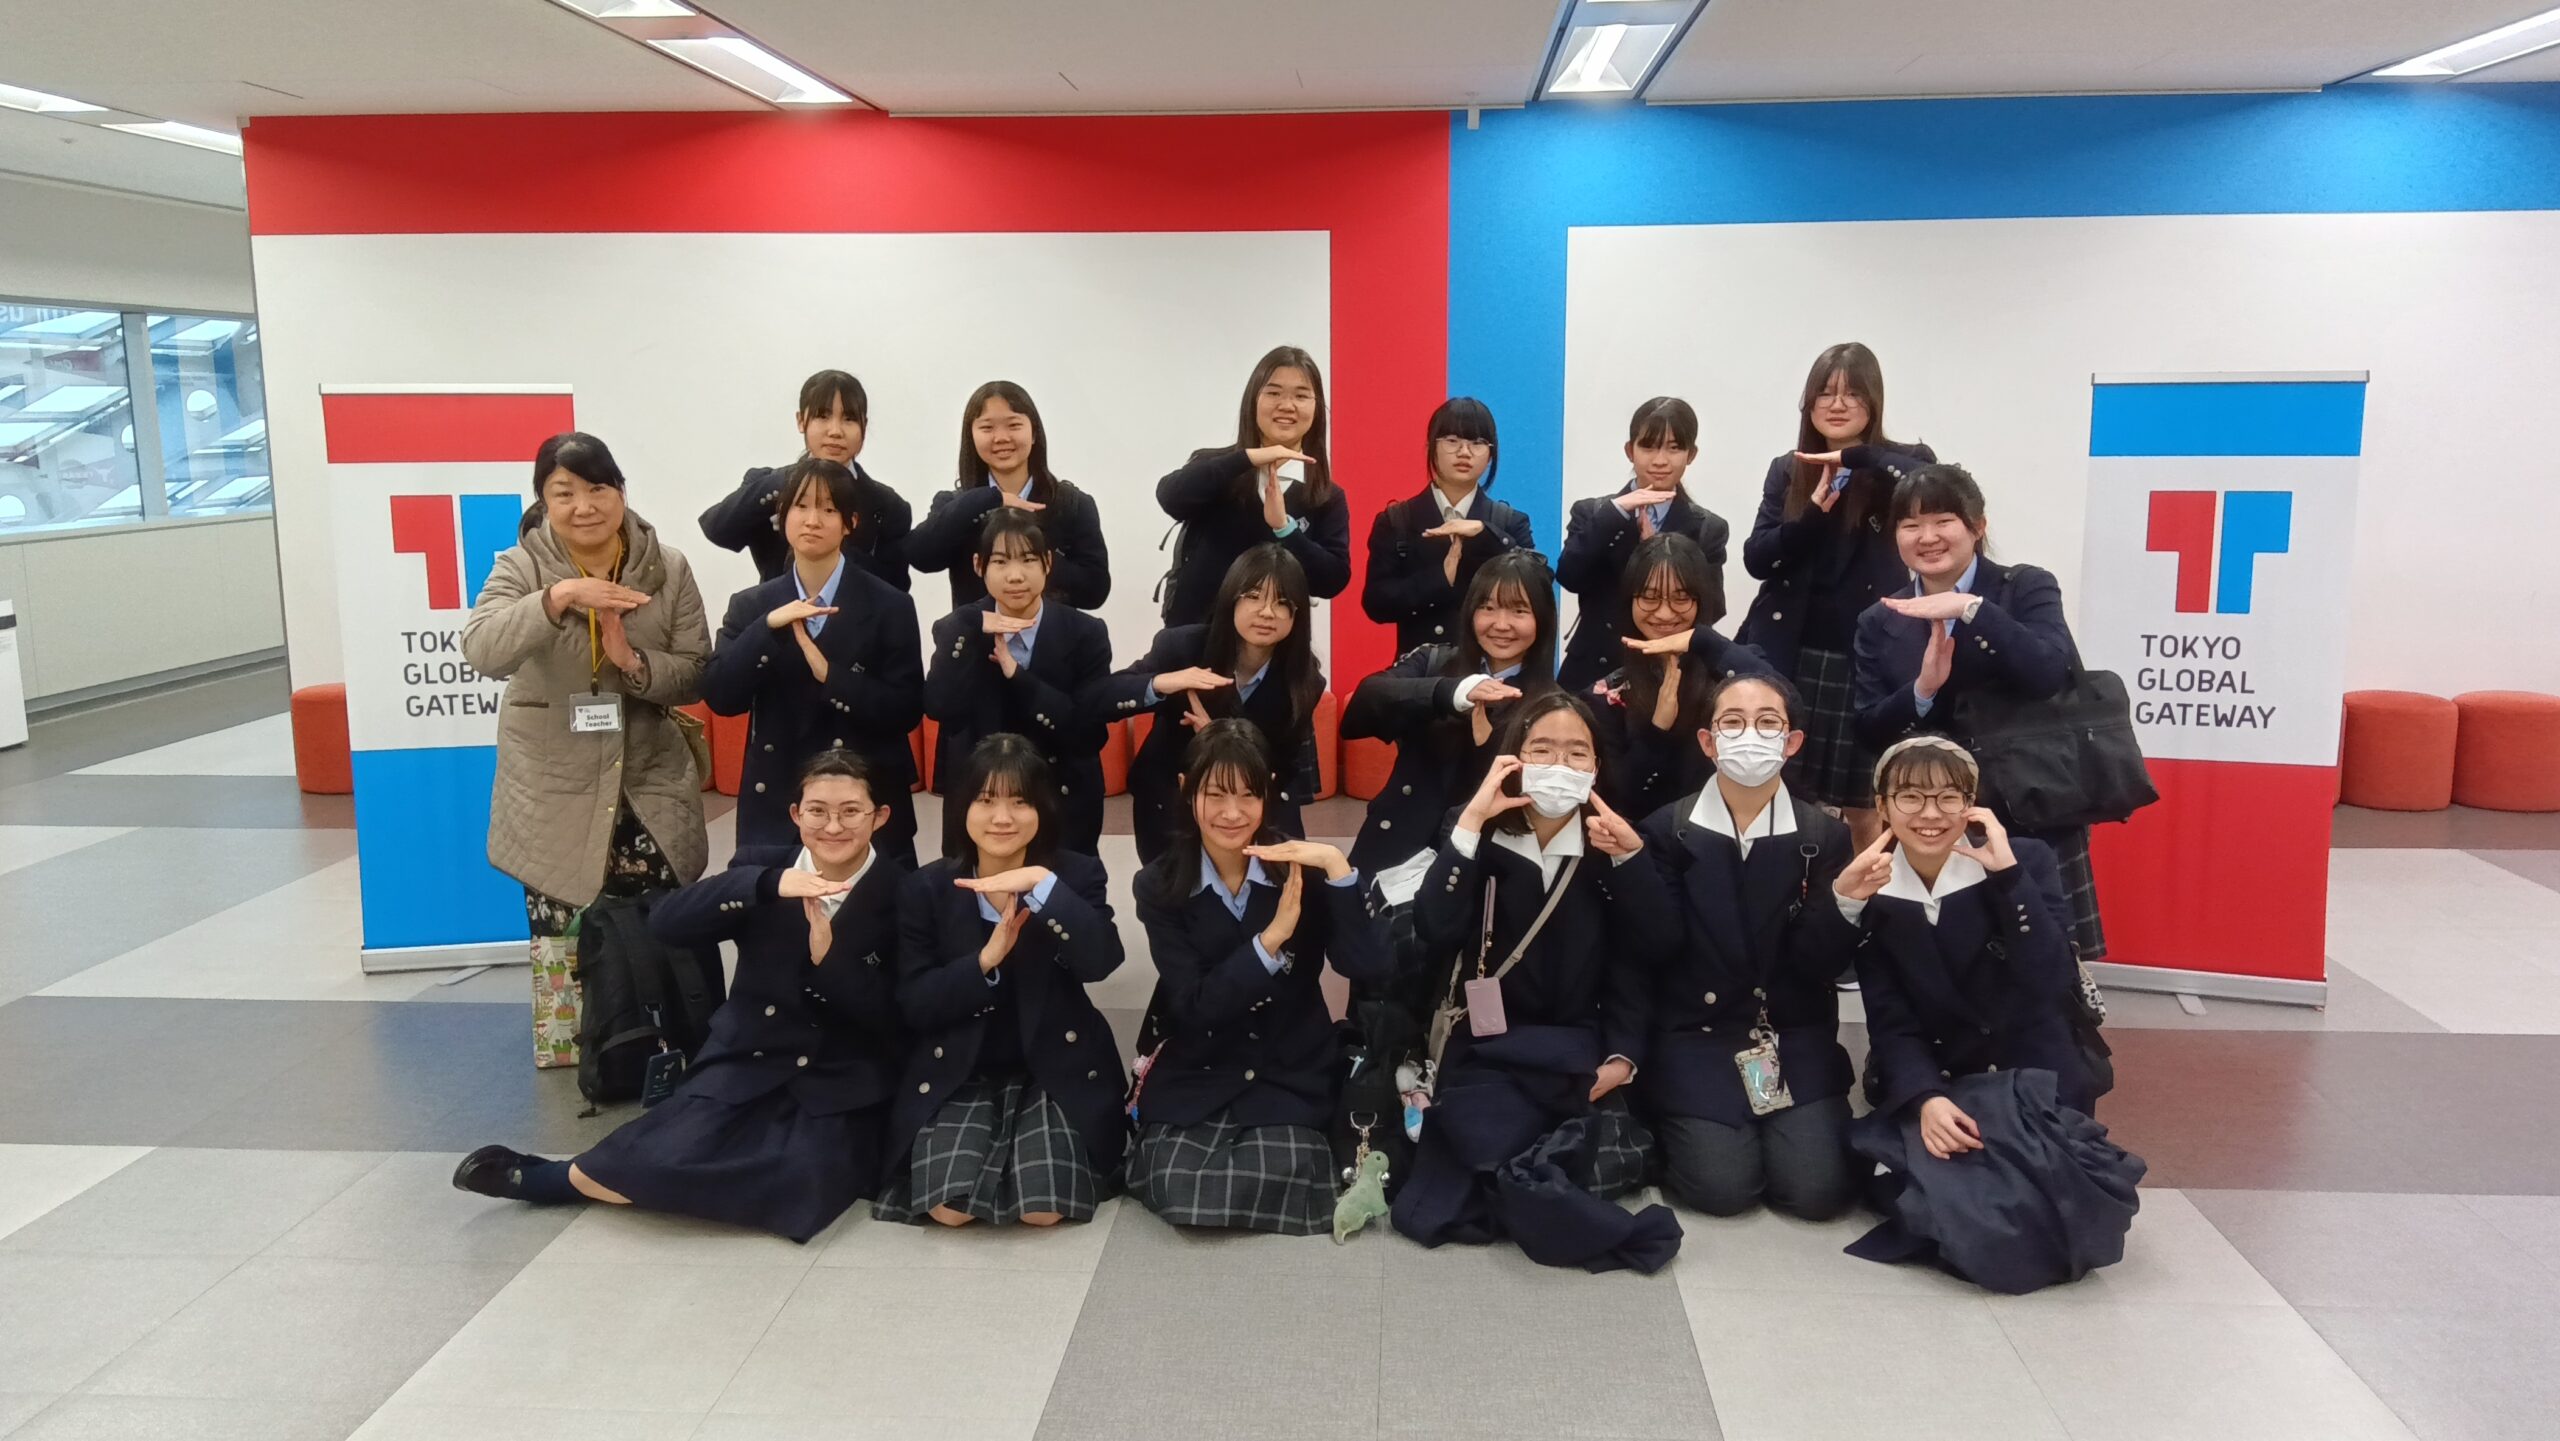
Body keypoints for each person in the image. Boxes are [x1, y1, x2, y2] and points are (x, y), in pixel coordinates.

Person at [450, 750, 904, 1242]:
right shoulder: (762, 866)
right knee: (664, 1151)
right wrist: (767, 884)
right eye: (817, 810)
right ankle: (561, 1179)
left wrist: (830, 963)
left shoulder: (903, 891)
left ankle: (570, 1180)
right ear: (796, 814)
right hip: (750, 1055)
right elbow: (669, 924)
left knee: (804, 1177)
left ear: (879, 816)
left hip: (837, 1072)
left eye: (851, 811)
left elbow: (895, 1014)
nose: (833, 826)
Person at [1390, 690, 1681, 1273]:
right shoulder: (1475, 830)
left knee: (1536, 1154)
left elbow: (1653, 949)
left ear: (1596, 766)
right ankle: (1547, 1197)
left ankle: (1527, 1186)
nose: (1559, 763)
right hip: (1483, 1045)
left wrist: (1622, 1056)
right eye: (1541, 749)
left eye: (1577, 752)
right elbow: (1434, 926)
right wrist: (1471, 822)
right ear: (1514, 758)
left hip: (1575, 1048)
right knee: (1490, 1147)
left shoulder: (1611, 841)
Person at [463, 431, 710, 1067]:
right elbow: (483, 649)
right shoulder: (521, 566)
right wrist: (559, 598)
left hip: (647, 776)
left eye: (598, 489)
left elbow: (695, 672)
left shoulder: (668, 567)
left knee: (660, 918)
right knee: (562, 919)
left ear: (621, 491)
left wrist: (631, 660)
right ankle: (578, 1051)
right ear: (543, 501)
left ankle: (663, 1038)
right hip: (553, 780)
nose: (584, 506)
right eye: (563, 493)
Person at [1124, 721, 1391, 1235]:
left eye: (1248, 795)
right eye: (1215, 794)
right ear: (1186, 790)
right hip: (1201, 1061)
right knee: (1177, 1185)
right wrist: (1269, 942)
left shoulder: (1303, 867)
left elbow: (1369, 968)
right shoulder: (1159, 883)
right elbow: (1194, 1004)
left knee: (1286, 1169)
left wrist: (1337, 868)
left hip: (1288, 1061)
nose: (1232, 813)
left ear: (1267, 792)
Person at [1849, 462, 2104, 960]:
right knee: (1938, 959)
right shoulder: (1880, 618)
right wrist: (1922, 690)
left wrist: (1972, 610)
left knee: (2044, 955)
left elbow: (2049, 673)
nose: (1927, 537)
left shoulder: (2024, 587)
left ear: (1977, 526)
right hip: (1930, 816)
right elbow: (1868, 729)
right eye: (1910, 525)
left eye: (1943, 521)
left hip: (2030, 803)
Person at [876, 735, 1127, 1228]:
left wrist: (1044, 888)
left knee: (1044, 1211)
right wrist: (984, 962)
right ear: (962, 808)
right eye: (986, 800)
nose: (1002, 818)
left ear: (1043, 809)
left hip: (1054, 1064)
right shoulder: (926, 887)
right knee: (949, 1210)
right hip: (961, 1068)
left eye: (1020, 802)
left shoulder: (1075, 875)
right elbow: (916, 1002)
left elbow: (1101, 962)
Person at [1634, 673, 1859, 1220]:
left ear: (1792, 740)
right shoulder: (1665, 830)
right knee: (1722, 1190)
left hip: (1790, 1035)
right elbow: (1656, 947)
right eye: (1732, 722)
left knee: (1816, 1193)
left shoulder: (1824, 836)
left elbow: (1818, 963)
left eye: (1767, 722)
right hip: (1697, 1036)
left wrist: (1846, 903)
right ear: (1708, 741)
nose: (1750, 735)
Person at [1838, 737, 2099, 1125]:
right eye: (1910, 797)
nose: (1930, 814)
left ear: (1971, 803)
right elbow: (1891, 1024)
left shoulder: (2024, 860)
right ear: (1882, 806)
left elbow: (2051, 981)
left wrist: (2010, 880)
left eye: (1948, 798)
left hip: (2036, 1076)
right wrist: (1926, 1098)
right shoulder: (1873, 890)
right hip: (1939, 1080)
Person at [1734, 343, 1938, 835]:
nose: (1838, 404)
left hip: (1865, 661)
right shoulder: (1789, 468)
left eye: (1852, 393)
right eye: (1825, 393)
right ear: (1809, 404)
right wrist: (1811, 515)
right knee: (1782, 794)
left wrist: (1860, 458)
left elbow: (1935, 485)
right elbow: (1757, 559)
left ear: (1874, 400)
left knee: (1865, 806)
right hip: (1792, 654)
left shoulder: (1902, 464)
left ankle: (1862, 885)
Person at [699, 457, 924, 865]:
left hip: (866, 806)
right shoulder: (752, 605)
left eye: (828, 509)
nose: (812, 520)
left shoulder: (890, 604)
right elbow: (721, 695)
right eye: (800, 506)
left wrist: (831, 676)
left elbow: (906, 708)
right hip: (778, 808)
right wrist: (768, 628)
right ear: (782, 518)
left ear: (850, 523)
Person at [1096, 545, 1327, 864]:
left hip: (1246, 807)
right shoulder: (1182, 647)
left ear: (1297, 615)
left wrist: (1221, 740)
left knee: (1289, 874)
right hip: (1172, 800)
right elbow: (1103, 696)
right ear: (1231, 598)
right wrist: (1162, 682)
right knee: (1171, 889)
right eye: (1254, 597)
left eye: (1282, 603)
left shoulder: (1303, 679)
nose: (1267, 612)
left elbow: (1284, 768)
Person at [1343, 551, 1554, 878]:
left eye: (1519, 610)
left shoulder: (1552, 704)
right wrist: (1453, 693)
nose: (1501, 624)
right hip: (1394, 850)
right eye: (1488, 607)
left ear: (1542, 618)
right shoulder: (1433, 661)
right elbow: (1361, 709)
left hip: (1475, 866)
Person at [924, 507, 1113, 852]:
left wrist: (1019, 677)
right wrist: (969, 631)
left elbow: (1089, 733)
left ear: (1048, 563)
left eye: (1028, 560)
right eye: (1000, 562)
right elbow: (939, 707)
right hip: (981, 801)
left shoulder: (1085, 632)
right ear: (979, 565)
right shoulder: (958, 628)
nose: (1015, 576)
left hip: (1060, 798)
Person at [1155, 345, 1352, 623]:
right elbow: (1170, 497)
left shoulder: (1325, 495)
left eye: (1301, 395)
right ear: (1253, 400)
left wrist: (1285, 529)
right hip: (1195, 636)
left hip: (1275, 641)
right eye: (1273, 393)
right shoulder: (1217, 466)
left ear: (1317, 407)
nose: (1287, 405)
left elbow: (1332, 580)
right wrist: (1247, 458)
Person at [1588, 533, 1776, 823]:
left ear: (1702, 599)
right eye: (1649, 597)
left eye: (1681, 598)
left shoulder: (1731, 667)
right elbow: (1619, 796)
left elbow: (1786, 699)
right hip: (1645, 836)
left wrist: (1704, 640)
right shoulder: (1607, 694)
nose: (1665, 613)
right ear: (1629, 600)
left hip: (1731, 829)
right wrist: (1657, 731)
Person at [1555, 397, 1732, 691]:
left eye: (1674, 448)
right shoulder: (1593, 513)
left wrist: (1662, 555)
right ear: (1630, 450)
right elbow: (1569, 576)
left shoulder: (1708, 528)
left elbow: (1712, 608)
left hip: (1668, 673)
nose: (1660, 460)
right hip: (1592, 672)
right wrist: (1615, 513)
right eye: (1648, 446)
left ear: (1691, 454)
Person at [906, 380, 1111, 611]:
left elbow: (1095, 591)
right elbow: (921, 556)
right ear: (971, 436)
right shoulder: (956, 504)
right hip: (977, 633)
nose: (1001, 437)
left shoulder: (1072, 504)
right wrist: (987, 500)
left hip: (1051, 634)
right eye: (987, 428)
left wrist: (1032, 555)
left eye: (1014, 425)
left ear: (1034, 433)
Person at [699, 368, 912, 590]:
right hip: (776, 610)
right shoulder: (768, 485)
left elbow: (896, 588)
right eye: (823, 416)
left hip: (855, 611)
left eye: (849, 419)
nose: (835, 431)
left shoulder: (889, 505)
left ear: (864, 426)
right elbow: (717, 529)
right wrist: (790, 480)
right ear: (801, 421)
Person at [1360, 397, 1537, 655]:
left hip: (1489, 668)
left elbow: (1538, 586)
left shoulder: (1508, 522)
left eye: (1477, 443)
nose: (1464, 452)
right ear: (1432, 446)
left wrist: (1486, 534)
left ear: (1491, 455)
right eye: (1452, 440)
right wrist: (1440, 579)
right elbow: (1376, 605)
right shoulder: (1397, 520)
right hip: (1420, 671)